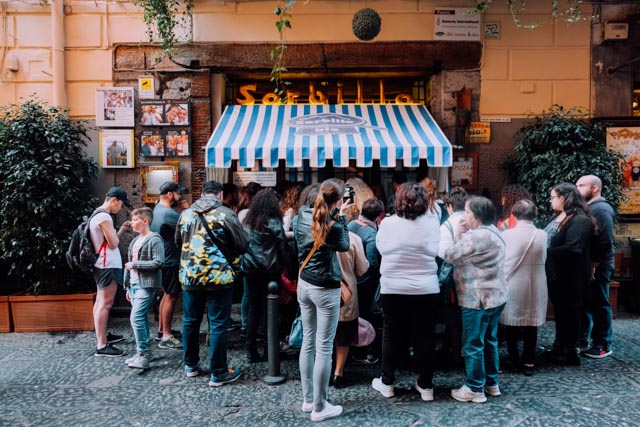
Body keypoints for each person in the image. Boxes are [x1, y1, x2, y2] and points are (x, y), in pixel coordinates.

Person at [175, 180, 249, 386]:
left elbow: (178, 243)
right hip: (219, 277)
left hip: (190, 276)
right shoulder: (226, 214)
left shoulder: (186, 214)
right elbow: (242, 244)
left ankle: (190, 365)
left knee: (190, 321)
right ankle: (218, 372)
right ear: (220, 194)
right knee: (217, 324)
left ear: (202, 193)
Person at [372, 182, 440, 402]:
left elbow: (381, 249)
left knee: (391, 336)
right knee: (426, 337)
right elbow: (437, 250)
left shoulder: (388, 224)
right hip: (426, 287)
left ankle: (388, 382)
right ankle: (426, 385)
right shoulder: (432, 222)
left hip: (393, 287)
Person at [295, 178, 351, 422]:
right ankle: (320, 407)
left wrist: (334, 214)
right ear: (338, 201)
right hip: (325, 288)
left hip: (304, 283)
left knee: (308, 341)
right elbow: (344, 245)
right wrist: (342, 218)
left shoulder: (301, 216)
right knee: (324, 347)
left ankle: (309, 399)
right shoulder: (334, 225)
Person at [445, 196, 507, 403]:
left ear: (477, 215)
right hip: (495, 296)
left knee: (473, 343)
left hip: (477, 297)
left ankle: (474, 388)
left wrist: (458, 234)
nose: (465, 216)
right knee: (489, 340)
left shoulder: (476, 236)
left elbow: (449, 255)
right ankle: (491, 383)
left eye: (468, 212)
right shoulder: (493, 231)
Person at [544, 183, 595, 366]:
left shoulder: (579, 220)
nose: (550, 201)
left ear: (563, 198)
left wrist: (546, 251)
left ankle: (570, 351)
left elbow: (574, 248)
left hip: (571, 277)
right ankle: (560, 346)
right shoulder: (563, 216)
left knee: (570, 313)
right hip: (558, 274)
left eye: (553, 197)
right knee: (561, 312)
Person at [499, 200, 548, 376]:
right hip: (537, 282)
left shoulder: (507, 235)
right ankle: (529, 361)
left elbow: (503, 259)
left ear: (514, 214)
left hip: (514, 282)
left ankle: (513, 358)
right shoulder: (542, 234)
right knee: (531, 324)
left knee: (512, 323)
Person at [242, 189, 291, 363]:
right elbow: (282, 246)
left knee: (253, 311)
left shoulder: (248, 221)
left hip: (250, 271)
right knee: (271, 311)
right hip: (271, 271)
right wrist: (289, 265)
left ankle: (251, 350)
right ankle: (269, 350)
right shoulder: (273, 221)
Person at [90, 187, 132, 357]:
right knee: (105, 303)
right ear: (114, 200)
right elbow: (113, 244)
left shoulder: (96, 213)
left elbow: (108, 240)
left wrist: (120, 230)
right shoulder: (104, 216)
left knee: (101, 302)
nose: (120, 208)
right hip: (106, 264)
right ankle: (101, 345)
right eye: (121, 204)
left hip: (101, 263)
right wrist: (116, 234)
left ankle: (102, 336)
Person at [576, 175, 615, 359]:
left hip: (598, 265)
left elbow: (605, 241)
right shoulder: (589, 208)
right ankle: (583, 339)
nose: (577, 188)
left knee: (600, 303)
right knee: (584, 302)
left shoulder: (602, 209)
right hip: (588, 264)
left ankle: (603, 344)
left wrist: (594, 264)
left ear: (595, 188)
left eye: (582, 185)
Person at [123, 208, 164, 370]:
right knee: (141, 319)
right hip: (133, 285)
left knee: (136, 318)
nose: (131, 223)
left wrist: (135, 264)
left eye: (135, 220)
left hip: (146, 285)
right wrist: (127, 287)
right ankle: (144, 352)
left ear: (145, 221)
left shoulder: (154, 239)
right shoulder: (135, 241)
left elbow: (158, 262)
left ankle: (143, 353)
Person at [347, 197, 384, 365]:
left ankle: (353, 347)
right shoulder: (372, 234)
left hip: (348, 278)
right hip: (364, 282)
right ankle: (369, 350)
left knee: (353, 316)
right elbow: (372, 263)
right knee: (368, 316)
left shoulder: (350, 225)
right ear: (378, 216)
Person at [151, 181, 187, 350]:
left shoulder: (158, 209)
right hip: (170, 259)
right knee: (171, 296)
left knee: (167, 294)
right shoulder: (169, 214)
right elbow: (188, 227)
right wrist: (187, 210)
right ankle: (167, 336)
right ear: (170, 194)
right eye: (178, 194)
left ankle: (162, 330)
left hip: (163, 257)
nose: (180, 197)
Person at [332, 231, 369, 388]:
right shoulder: (353, 238)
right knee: (344, 334)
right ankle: (338, 373)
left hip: (319, 290)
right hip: (345, 293)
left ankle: (321, 369)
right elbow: (362, 269)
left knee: (321, 334)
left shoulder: (313, 232)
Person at [436, 186, 468, 368]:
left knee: (453, 315)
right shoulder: (474, 221)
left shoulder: (446, 226)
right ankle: (455, 349)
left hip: (454, 276)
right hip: (472, 274)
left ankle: (455, 353)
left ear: (448, 206)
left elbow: (443, 253)